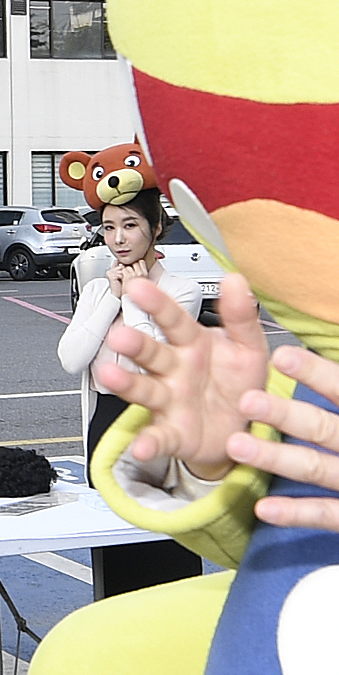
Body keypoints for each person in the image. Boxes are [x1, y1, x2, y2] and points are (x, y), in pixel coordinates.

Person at [57, 187, 206, 596]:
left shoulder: (181, 292)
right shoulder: (96, 290)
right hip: (106, 422)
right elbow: (71, 359)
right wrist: (110, 299)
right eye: (109, 228)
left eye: (130, 225)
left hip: (155, 425)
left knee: (163, 545)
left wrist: (137, 302)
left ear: (155, 229)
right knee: (113, 546)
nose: (119, 239)